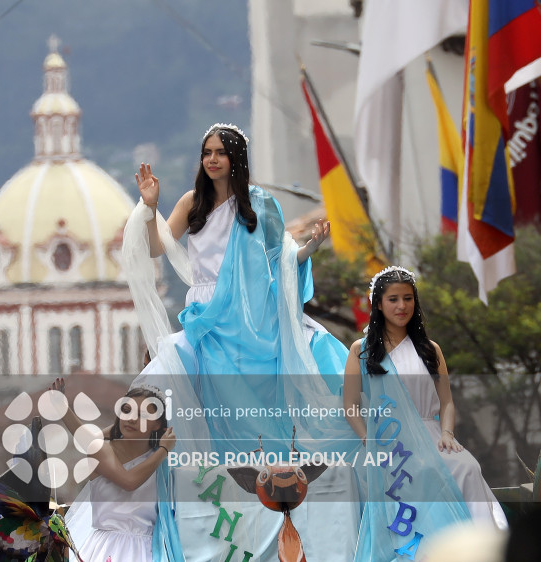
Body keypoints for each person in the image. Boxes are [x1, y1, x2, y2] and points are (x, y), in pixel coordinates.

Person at [123, 123, 360, 561]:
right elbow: (158, 247)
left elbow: (282, 258)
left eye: (221, 152)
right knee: (173, 377)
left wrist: (310, 248)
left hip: (254, 314)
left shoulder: (261, 204)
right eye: (206, 152)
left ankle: (285, 486)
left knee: (314, 358)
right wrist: (148, 206)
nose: (212, 159)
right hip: (209, 319)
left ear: (236, 158)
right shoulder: (191, 203)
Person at [343, 266, 508, 561]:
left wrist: (447, 433)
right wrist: (369, 440)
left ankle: (484, 549)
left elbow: (446, 403)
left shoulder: (431, 350)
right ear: (378, 304)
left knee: (467, 467)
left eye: (408, 298)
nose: (402, 306)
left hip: (431, 434)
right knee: (425, 472)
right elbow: (350, 405)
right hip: (390, 443)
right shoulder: (361, 350)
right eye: (393, 299)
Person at [51, 378, 175, 562]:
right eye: (126, 411)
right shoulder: (103, 450)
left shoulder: (159, 462)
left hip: (151, 551)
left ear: (158, 425)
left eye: (142, 415)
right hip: (107, 549)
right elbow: (129, 482)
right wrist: (164, 450)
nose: (132, 418)